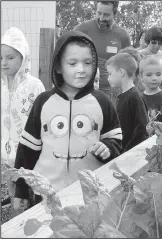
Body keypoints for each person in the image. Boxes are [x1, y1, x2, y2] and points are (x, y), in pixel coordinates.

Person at [13, 31, 122, 211]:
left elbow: (116, 142)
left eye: (88, 63)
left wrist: (108, 148)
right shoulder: (43, 101)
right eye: (72, 63)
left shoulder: (103, 102)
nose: (82, 69)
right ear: (58, 67)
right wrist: (21, 189)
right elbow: (27, 149)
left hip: (90, 193)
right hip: (46, 193)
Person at [1, 27, 45, 168]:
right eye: (1, 57)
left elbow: (42, 122)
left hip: (25, 159)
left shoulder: (35, 86)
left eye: (10, 57)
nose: (4, 63)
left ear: (23, 57)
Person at [74, 1, 131, 106]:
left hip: (112, 93)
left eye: (106, 15)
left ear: (115, 13)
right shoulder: (81, 30)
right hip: (83, 90)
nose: (101, 18)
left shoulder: (122, 36)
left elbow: (129, 68)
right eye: (98, 13)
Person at [106, 53, 149, 152]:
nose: (108, 78)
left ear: (121, 72)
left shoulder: (134, 97)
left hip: (131, 155)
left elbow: (142, 128)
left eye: (110, 74)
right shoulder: (122, 96)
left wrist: (127, 151)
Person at [140, 56, 162, 125]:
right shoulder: (137, 99)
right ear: (141, 77)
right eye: (149, 75)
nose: (154, 78)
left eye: (158, 74)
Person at [139, 26, 162, 90]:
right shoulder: (139, 55)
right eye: (154, 43)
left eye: (160, 43)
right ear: (148, 41)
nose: (157, 46)